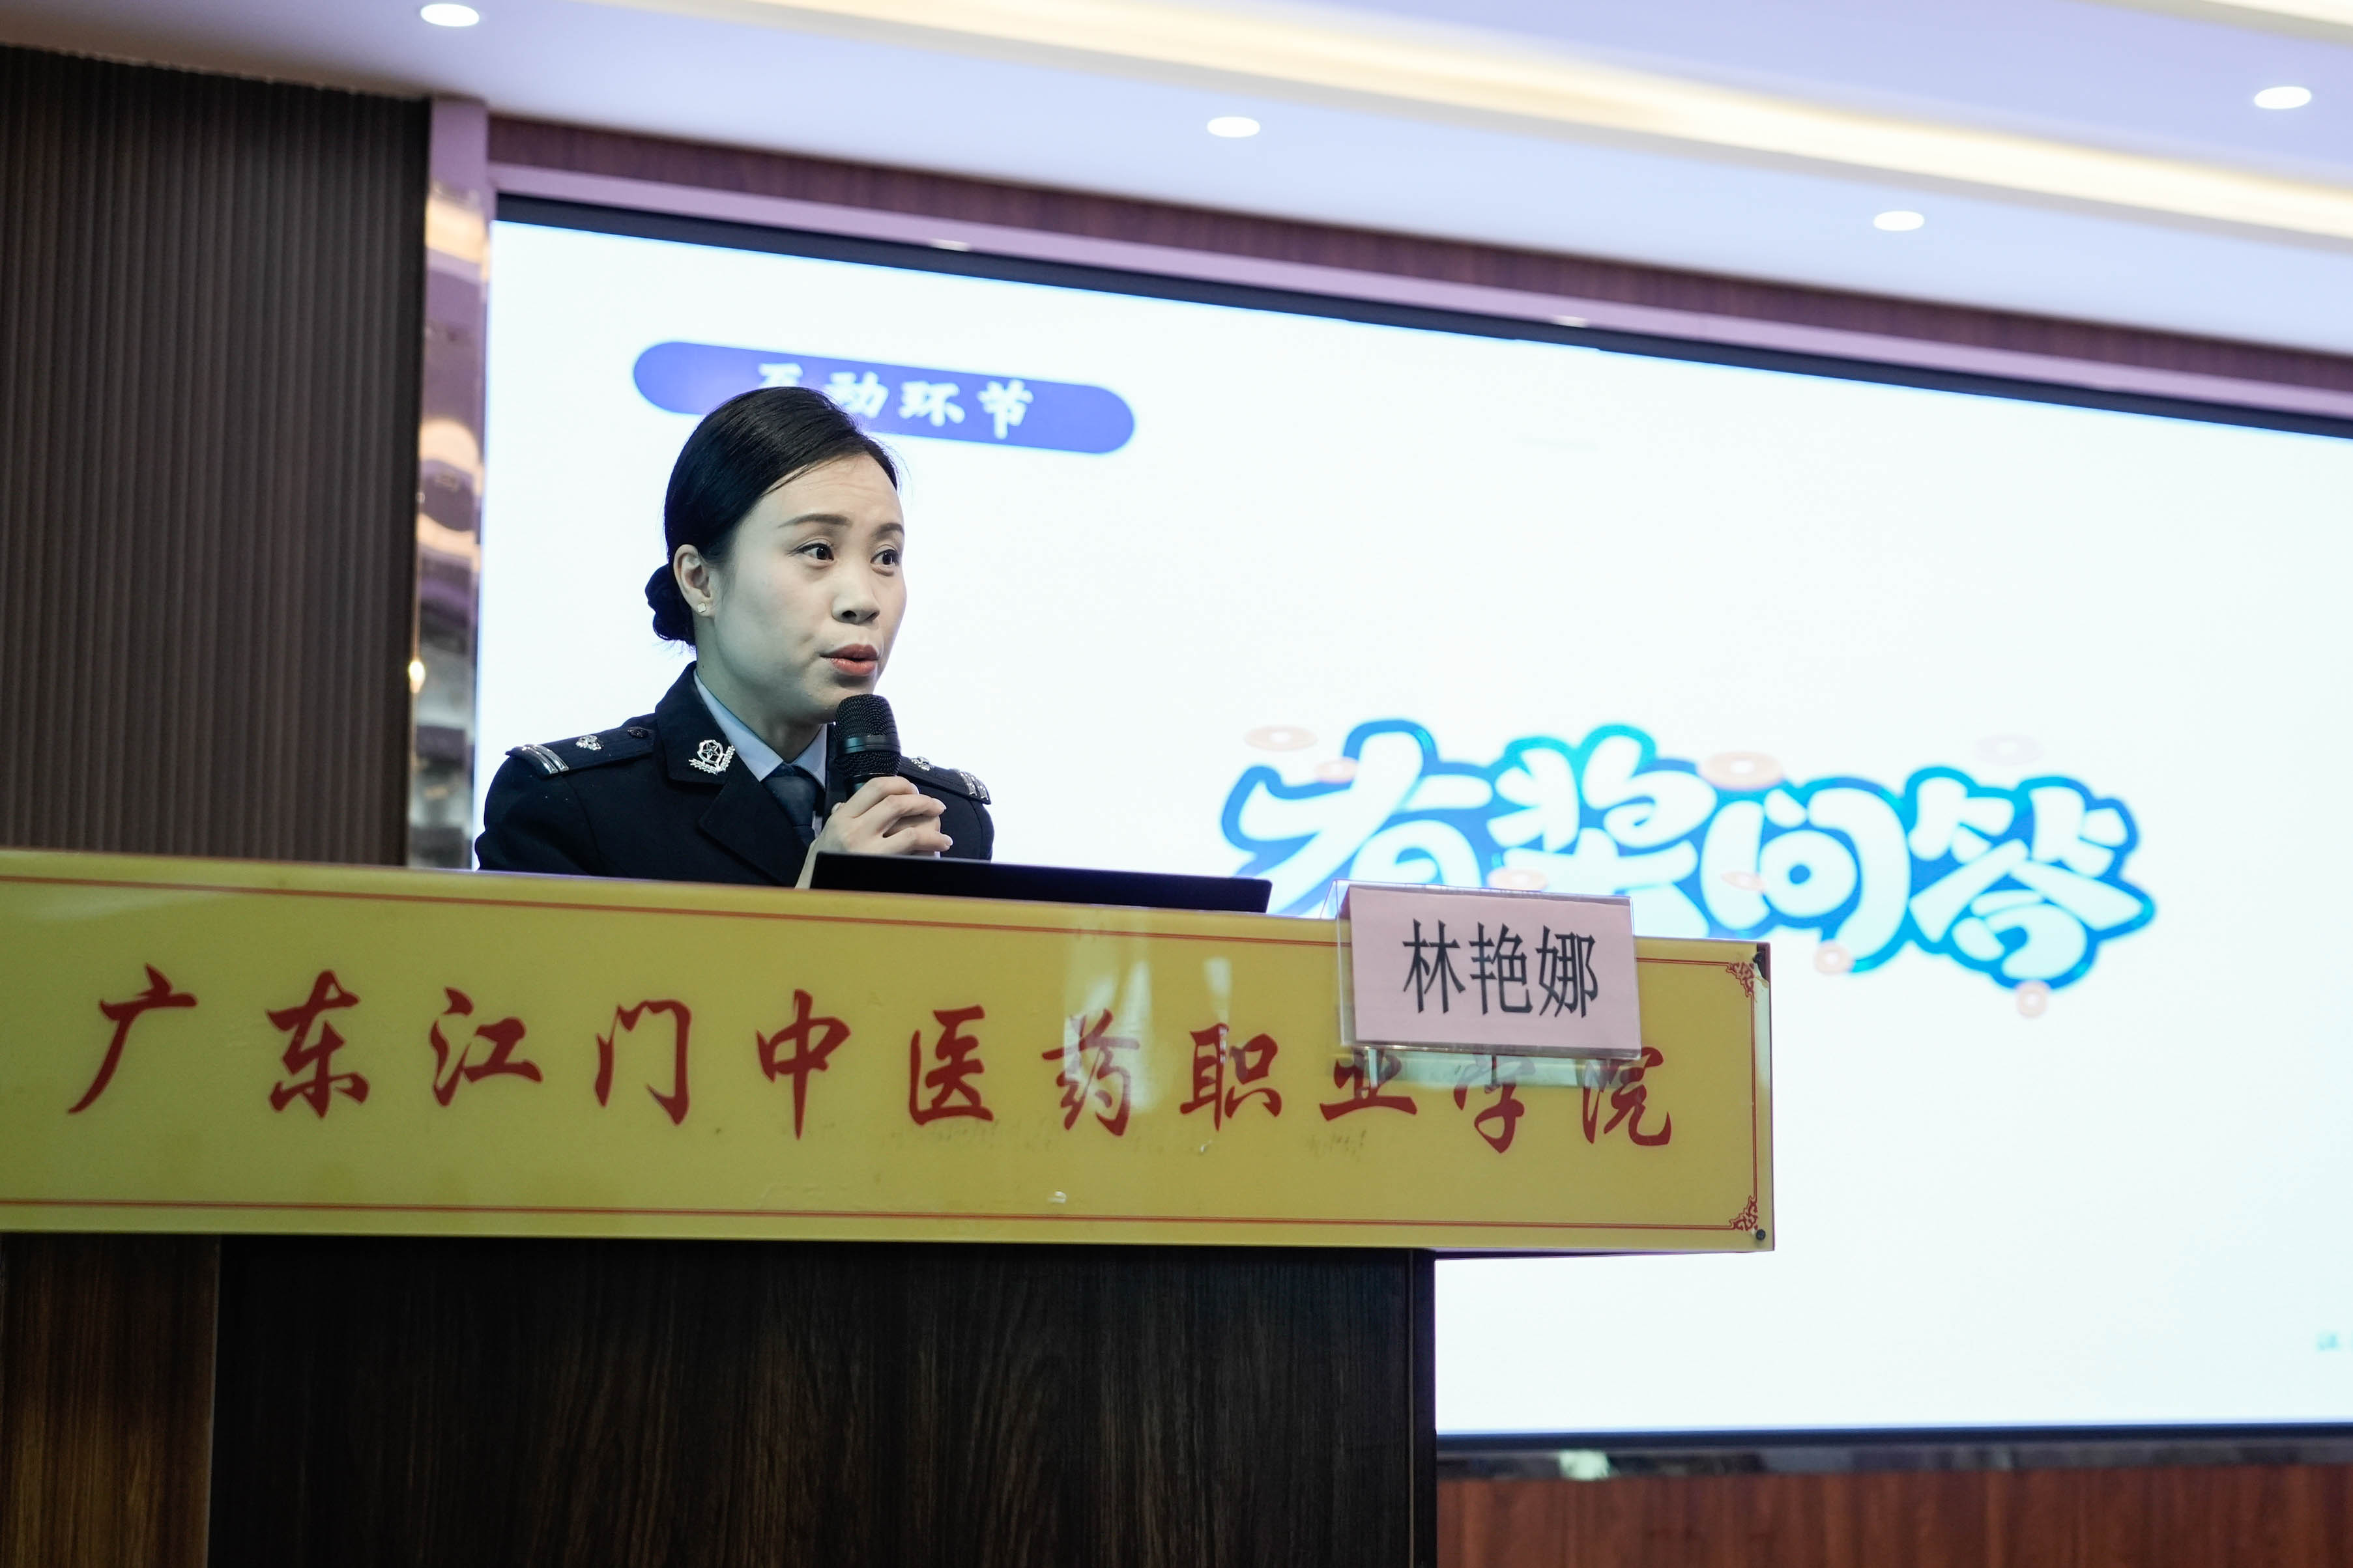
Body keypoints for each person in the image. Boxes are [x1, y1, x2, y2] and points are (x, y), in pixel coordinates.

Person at [474, 387, 992, 885]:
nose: (863, 600)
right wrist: (817, 912)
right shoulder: (573, 809)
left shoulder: (943, 823)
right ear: (700, 580)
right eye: (818, 551)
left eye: (886, 557)